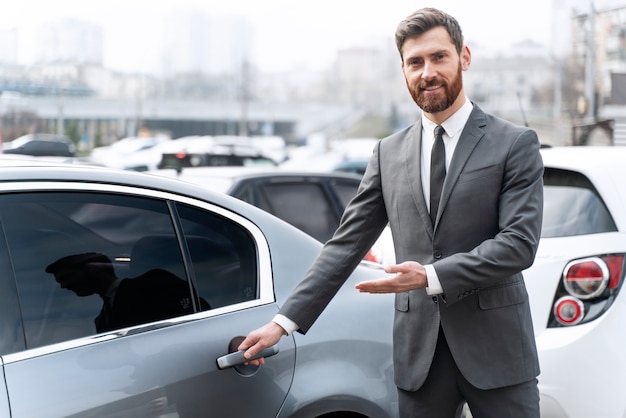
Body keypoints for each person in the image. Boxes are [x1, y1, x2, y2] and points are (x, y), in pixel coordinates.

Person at [238, 7, 543, 418]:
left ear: (464, 58)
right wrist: (282, 323)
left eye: (439, 57)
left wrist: (431, 276)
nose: (427, 72)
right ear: (402, 69)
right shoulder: (388, 152)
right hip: (419, 355)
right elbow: (344, 245)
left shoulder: (515, 143)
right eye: (415, 62)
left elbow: (518, 245)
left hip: (498, 350)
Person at [46, 252, 209, 333]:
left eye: (67, 278)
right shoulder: (101, 320)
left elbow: (196, 314)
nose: (63, 286)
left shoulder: (154, 282)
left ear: (93, 270)